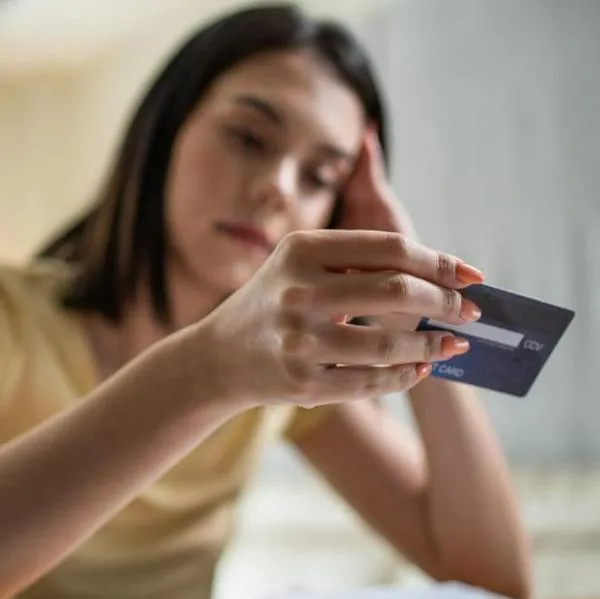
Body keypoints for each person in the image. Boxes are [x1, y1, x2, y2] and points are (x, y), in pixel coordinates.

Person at [0, 4, 531, 599]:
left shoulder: (276, 383)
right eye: (249, 138)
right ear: (164, 132)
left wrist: (424, 314)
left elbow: (490, 579)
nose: (278, 186)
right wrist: (209, 369)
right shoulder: (13, 320)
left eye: (320, 178)